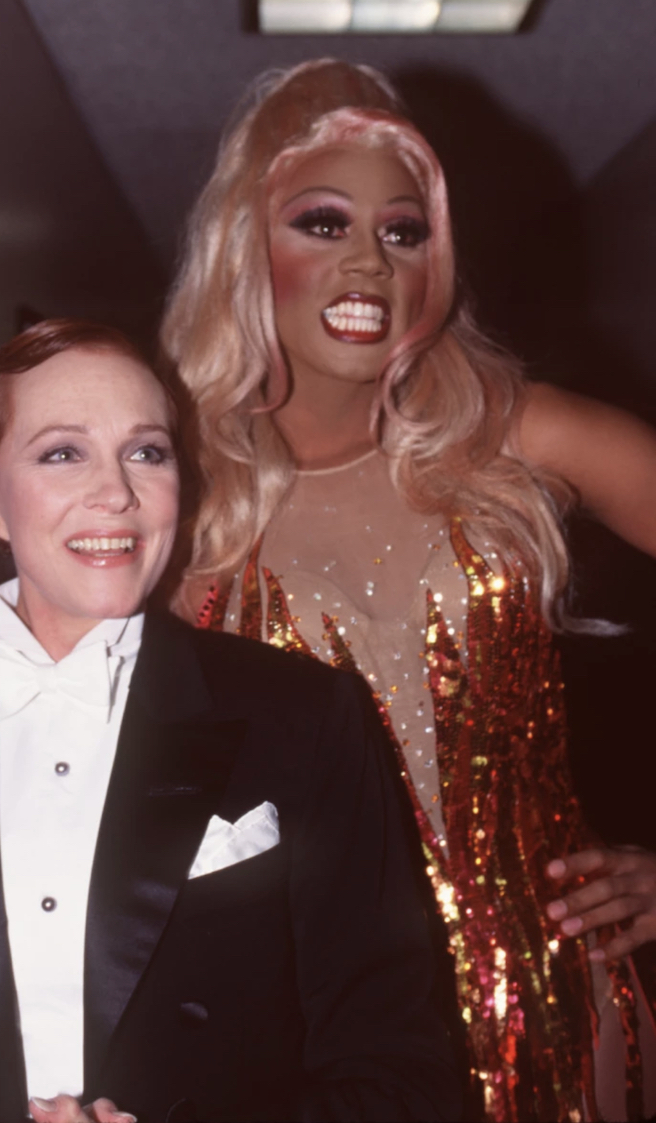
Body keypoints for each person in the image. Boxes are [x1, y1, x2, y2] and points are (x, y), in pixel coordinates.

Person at [160, 59, 656, 1121]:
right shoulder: (174, 503)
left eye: (400, 231)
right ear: (248, 247)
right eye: (322, 222)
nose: (368, 264)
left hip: (553, 996)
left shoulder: (516, 434)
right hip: (323, 1043)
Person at [0, 318, 459, 1123]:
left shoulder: (308, 717)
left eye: (146, 451)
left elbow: (406, 1079)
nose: (117, 492)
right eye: (62, 452)